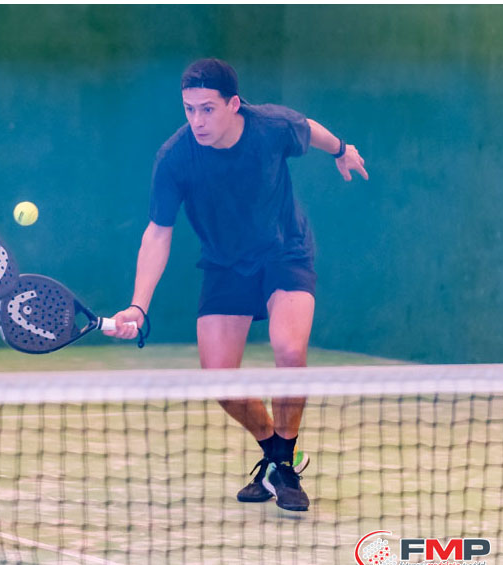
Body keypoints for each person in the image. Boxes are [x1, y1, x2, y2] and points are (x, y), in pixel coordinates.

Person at [106, 58, 368, 511]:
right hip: (225, 265)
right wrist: (138, 306)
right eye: (189, 109)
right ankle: (276, 453)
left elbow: (309, 129)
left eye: (207, 109)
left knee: (289, 350)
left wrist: (341, 149)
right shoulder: (175, 157)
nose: (197, 120)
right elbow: (157, 233)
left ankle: (284, 466)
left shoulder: (270, 127)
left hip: (284, 252)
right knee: (220, 380)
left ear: (234, 104)